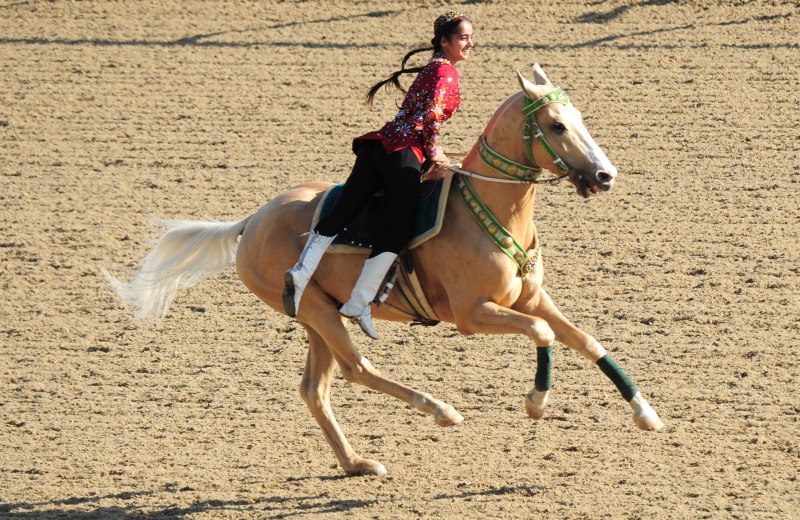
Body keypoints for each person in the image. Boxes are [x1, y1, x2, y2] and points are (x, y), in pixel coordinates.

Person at [283, 10, 474, 339]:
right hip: (403, 156)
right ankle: (358, 302)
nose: (470, 43)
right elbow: (429, 118)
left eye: (471, 37)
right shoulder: (447, 73)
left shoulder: (432, 68)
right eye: (463, 38)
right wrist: (434, 153)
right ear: (445, 41)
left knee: (342, 211)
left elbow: (414, 116)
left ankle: (301, 273)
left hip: (379, 146)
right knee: (397, 232)